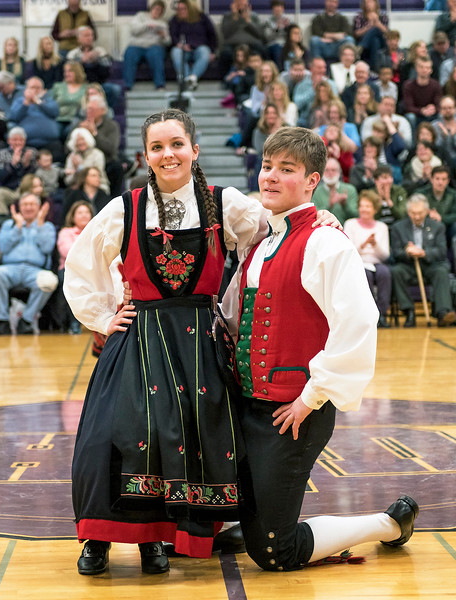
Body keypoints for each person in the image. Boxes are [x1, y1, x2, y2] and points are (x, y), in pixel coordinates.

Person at [63, 108, 339, 576]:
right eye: (157, 147)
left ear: (194, 149)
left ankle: (160, 537)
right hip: (139, 337)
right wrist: (104, 316)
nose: (167, 154)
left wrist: (323, 219)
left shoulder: (224, 202)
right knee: (111, 437)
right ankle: (98, 539)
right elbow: (81, 265)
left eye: (176, 144)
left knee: (185, 440)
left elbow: (275, 233)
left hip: (197, 346)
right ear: (145, 155)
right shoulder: (124, 208)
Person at [220, 125, 418, 572]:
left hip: (294, 410)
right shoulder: (262, 241)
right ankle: (260, 521)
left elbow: (359, 322)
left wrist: (312, 396)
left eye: (286, 169)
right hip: (248, 403)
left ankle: (388, 523)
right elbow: (235, 317)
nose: (270, 176)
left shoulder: (326, 241)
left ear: (313, 180)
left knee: (274, 554)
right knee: (246, 524)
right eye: (267, 166)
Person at [0, 192, 57, 336]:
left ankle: (26, 320)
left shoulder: (47, 226)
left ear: (39, 207)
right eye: (25, 204)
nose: (28, 207)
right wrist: (18, 228)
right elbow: (3, 247)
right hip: (10, 268)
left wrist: (39, 225)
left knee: (50, 281)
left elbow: (46, 248)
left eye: (32, 204)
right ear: (19, 207)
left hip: (35, 270)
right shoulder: (9, 224)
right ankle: (2, 321)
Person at [390, 194, 455, 327]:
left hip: (430, 265)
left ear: (426, 211)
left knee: (442, 271)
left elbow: (442, 251)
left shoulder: (438, 226)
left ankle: (443, 313)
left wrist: (423, 252)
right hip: (409, 265)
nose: (417, 217)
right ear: (408, 212)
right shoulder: (398, 227)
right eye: (413, 213)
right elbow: (396, 253)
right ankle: (409, 311)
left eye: (420, 213)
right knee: (396, 271)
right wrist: (407, 252)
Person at [344, 189, 391, 327]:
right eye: (362, 206)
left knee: (385, 274)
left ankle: (381, 315)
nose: (364, 209)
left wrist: (375, 244)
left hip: (377, 262)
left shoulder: (382, 227)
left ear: (375, 209)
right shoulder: (350, 224)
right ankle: (367, 315)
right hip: (358, 262)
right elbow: (348, 251)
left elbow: (385, 255)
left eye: (368, 206)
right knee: (365, 275)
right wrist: (364, 244)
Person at [70, 95, 123, 197]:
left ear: (102, 111)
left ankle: (115, 199)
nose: (88, 111)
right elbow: (68, 147)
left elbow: (111, 149)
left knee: (117, 167)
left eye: (92, 109)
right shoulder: (80, 125)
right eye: (87, 109)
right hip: (83, 161)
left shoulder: (112, 126)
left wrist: (94, 133)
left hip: (105, 162)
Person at [57, 201, 94, 334]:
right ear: (73, 216)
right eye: (80, 212)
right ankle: (74, 322)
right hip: (70, 269)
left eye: (86, 212)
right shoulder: (66, 232)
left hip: (93, 269)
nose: (84, 215)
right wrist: (89, 255)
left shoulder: (96, 230)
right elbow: (67, 251)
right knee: (73, 282)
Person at [8, 77, 64, 163]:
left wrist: (39, 102)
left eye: (38, 88)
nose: (35, 90)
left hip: (50, 142)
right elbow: (14, 117)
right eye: (32, 87)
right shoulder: (20, 101)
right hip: (27, 143)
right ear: (26, 89)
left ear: (44, 90)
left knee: (58, 151)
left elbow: (55, 112)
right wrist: (26, 103)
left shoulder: (48, 101)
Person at [67, 26, 121, 109]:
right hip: (80, 85)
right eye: (86, 36)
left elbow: (106, 72)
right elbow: (70, 72)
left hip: (99, 84)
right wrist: (82, 61)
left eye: (91, 35)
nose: (90, 38)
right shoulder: (73, 54)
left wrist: (96, 61)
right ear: (79, 39)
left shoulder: (100, 51)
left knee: (115, 89)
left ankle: (106, 111)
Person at [168, 0, 218, 91]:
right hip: (183, 48)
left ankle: (192, 78)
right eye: (178, 9)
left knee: (204, 52)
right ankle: (187, 78)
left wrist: (213, 51)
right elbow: (172, 36)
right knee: (176, 52)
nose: (181, 11)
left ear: (190, 9)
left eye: (183, 9)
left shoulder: (202, 18)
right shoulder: (175, 20)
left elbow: (212, 35)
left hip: (200, 47)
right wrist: (180, 45)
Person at [0, 126, 38, 215]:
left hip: (27, 189)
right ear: (9, 141)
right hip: (8, 189)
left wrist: (27, 166)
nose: (18, 143)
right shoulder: (1, 154)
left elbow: (37, 177)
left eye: (21, 140)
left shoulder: (32, 153)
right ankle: (5, 221)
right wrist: (12, 165)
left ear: (25, 141)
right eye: (15, 140)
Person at [123, 1, 170, 91]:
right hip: (137, 45)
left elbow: (168, 42)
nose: (157, 12)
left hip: (154, 46)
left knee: (156, 54)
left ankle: (160, 84)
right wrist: (147, 25)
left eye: (160, 10)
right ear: (151, 9)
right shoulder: (141, 16)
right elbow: (133, 30)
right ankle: (127, 85)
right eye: (155, 9)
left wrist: (163, 36)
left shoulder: (163, 23)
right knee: (129, 53)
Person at [219, 0, 266, 78]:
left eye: (243, 2)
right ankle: (226, 78)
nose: (240, 4)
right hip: (233, 44)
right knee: (225, 53)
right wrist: (235, 17)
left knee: (263, 50)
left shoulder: (254, 16)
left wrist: (248, 20)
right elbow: (226, 33)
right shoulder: (227, 16)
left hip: (252, 44)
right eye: (238, 2)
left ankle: (261, 75)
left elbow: (259, 34)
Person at [312, 157, 359, 223]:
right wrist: (330, 203)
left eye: (333, 170)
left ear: (339, 172)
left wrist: (345, 204)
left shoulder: (350, 189)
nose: (330, 173)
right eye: (327, 170)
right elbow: (314, 217)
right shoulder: (315, 191)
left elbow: (356, 216)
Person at [402, 56, 443, 132]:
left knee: (441, 115)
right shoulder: (408, 85)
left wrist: (434, 109)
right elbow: (408, 107)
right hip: (416, 115)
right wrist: (422, 110)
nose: (424, 70)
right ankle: (413, 143)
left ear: (431, 70)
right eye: (421, 67)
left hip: (432, 114)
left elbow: (439, 105)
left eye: (427, 68)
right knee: (410, 117)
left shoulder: (436, 85)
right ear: (416, 68)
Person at [64, 127, 110, 194]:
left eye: (82, 139)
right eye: (77, 140)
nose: (80, 142)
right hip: (77, 188)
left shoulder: (97, 154)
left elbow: (96, 175)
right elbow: (68, 180)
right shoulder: (71, 156)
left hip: (98, 187)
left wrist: (79, 167)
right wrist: (74, 174)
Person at [51, 61, 88, 140]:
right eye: (65, 71)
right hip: (58, 119)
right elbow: (49, 103)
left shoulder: (86, 88)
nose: (66, 74)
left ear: (77, 72)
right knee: (55, 132)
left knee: (69, 131)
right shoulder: (58, 86)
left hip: (76, 120)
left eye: (70, 71)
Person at [353, 0, 389, 72]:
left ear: (375, 4)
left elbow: (387, 33)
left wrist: (377, 23)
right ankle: (375, 70)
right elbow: (356, 34)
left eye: (370, 2)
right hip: (369, 46)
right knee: (375, 41)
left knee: (376, 30)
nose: (368, 4)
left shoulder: (383, 16)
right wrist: (369, 26)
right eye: (366, 3)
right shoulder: (359, 17)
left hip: (383, 44)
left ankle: (361, 47)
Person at [263, 0, 292, 69]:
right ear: (273, 8)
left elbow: (293, 35)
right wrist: (276, 29)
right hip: (273, 44)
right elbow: (267, 37)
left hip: (285, 44)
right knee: (277, 48)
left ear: (283, 8)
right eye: (276, 6)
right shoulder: (268, 21)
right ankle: (279, 72)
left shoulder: (288, 20)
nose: (278, 9)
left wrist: (288, 28)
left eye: (280, 6)